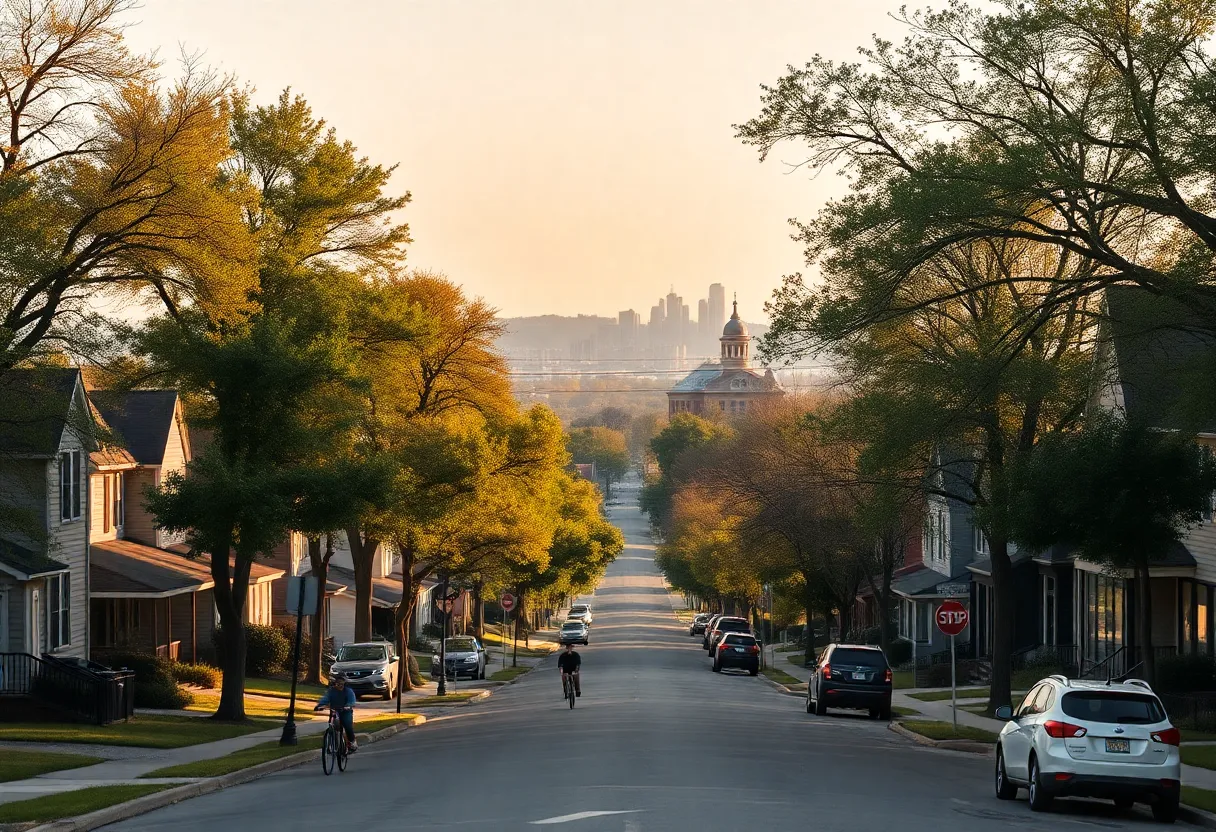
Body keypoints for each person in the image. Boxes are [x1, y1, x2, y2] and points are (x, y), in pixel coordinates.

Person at [314, 672, 358, 751]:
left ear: (345, 683)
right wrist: (320, 705)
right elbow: (326, 698)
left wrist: (348, 706)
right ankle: (330, 744)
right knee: (332, 726)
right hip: (334, 710)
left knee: (348, 726)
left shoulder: (348, 691)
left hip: (345, 711)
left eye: (341, 682)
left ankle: (352, 742)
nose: (339, 684)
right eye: (338, 682)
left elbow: (351, 700)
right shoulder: (331, 691)